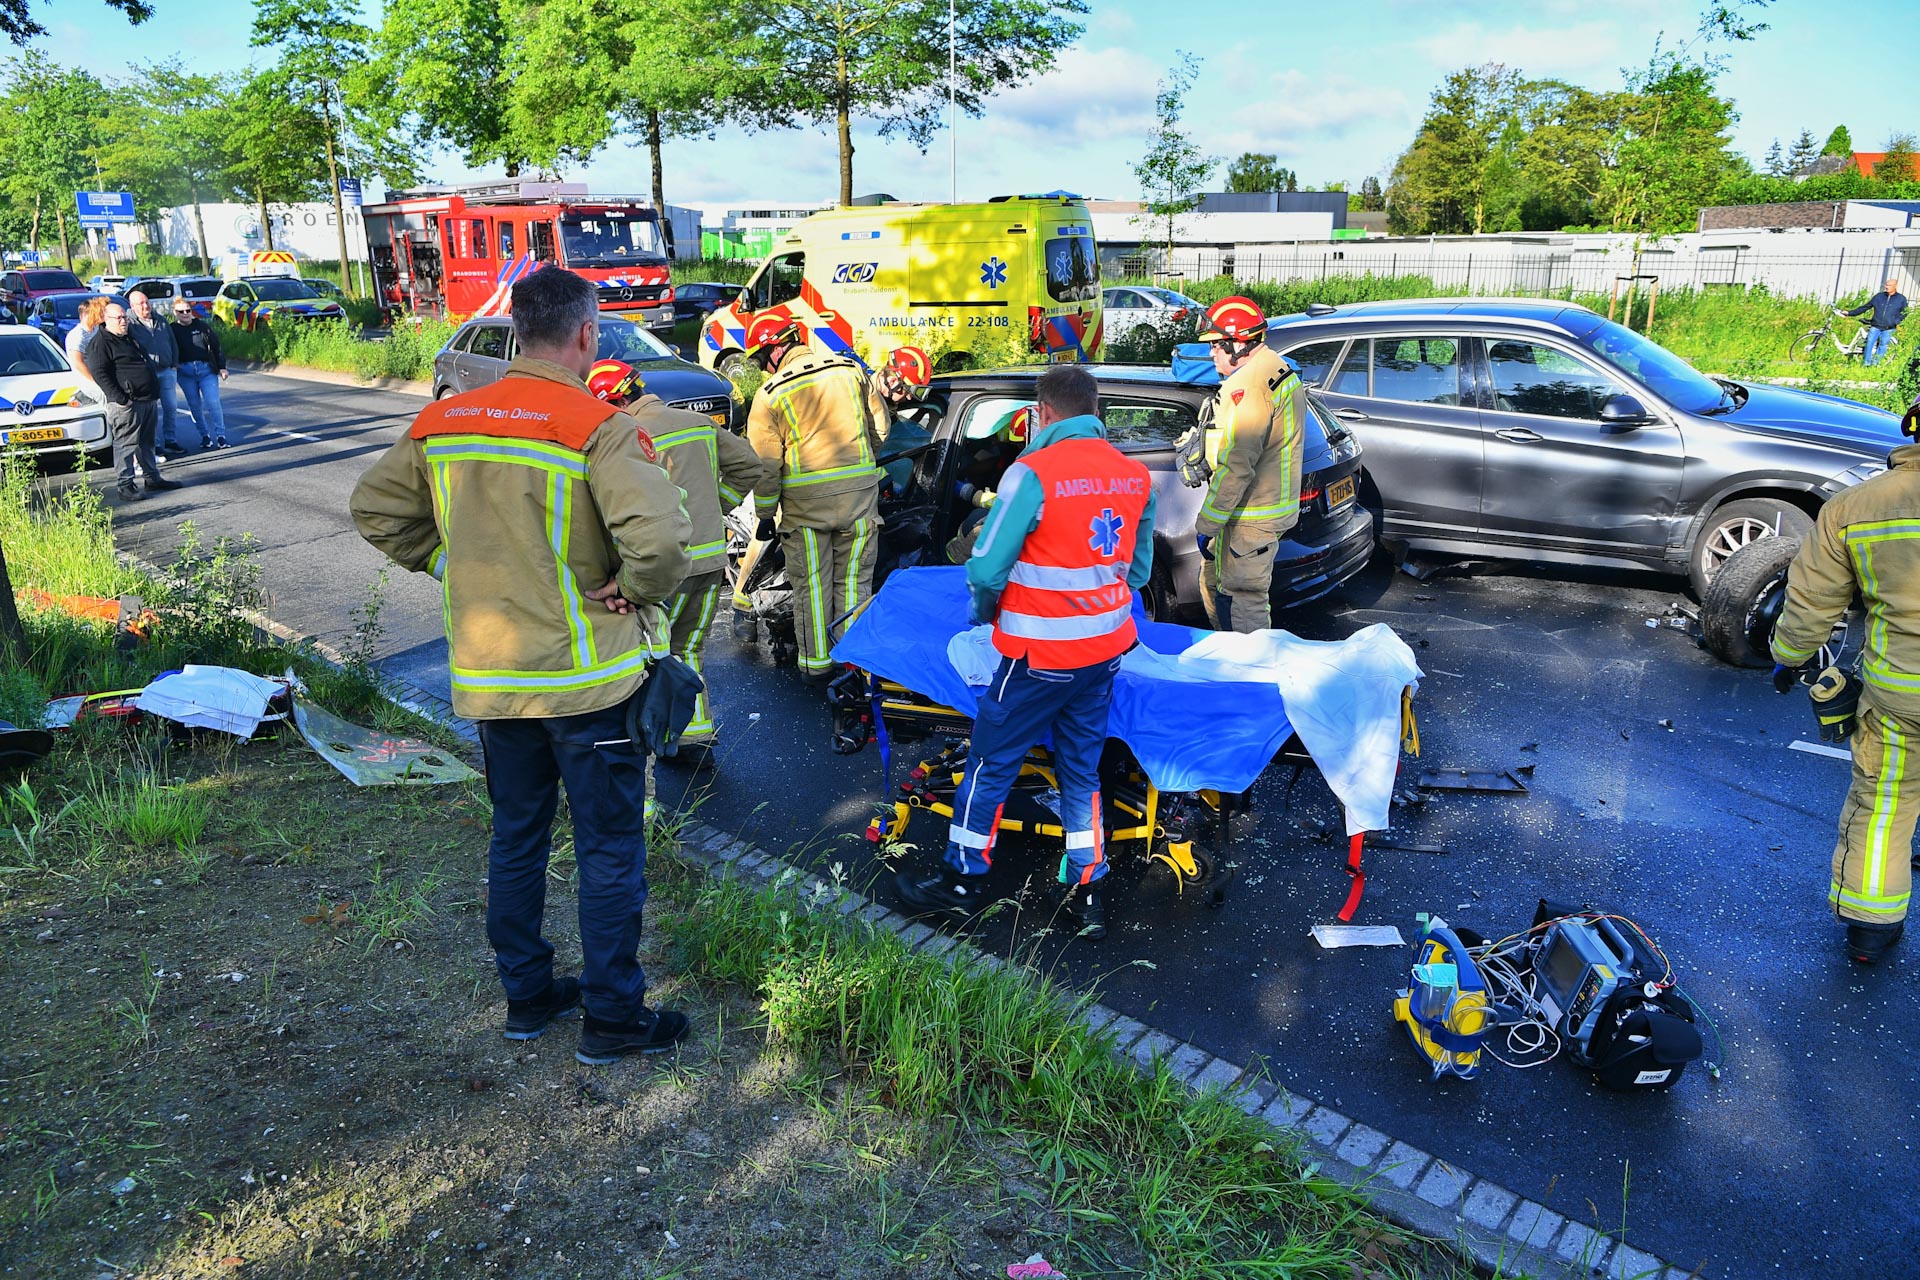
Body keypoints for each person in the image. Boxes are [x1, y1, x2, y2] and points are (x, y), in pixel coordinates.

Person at [349, 266, 696, 1063]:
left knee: (516, 840)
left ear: (512, 332)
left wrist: (446, 567)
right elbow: (664, 544)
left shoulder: (446, 420)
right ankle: (613, 1020)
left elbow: (374, 509)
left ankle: (528, 998)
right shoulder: (597, 426)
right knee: (609, 851)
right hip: (589, 687)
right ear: (585, 334)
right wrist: (632, 590)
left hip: (493, 683)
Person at [894, 365, 1158, 940]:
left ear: (1043, 412)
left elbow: (986, 568)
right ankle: (1087, 887)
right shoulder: (1135, 476)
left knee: (990, 763)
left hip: (1035, 659)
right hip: (1103, 657)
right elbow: (1137, 573)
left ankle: (960, 882)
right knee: (1081, 772)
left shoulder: (1031, 473)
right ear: (1095, 410)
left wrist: (985, 613)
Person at [1768, 396, 1920, 965]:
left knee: (1885, 804)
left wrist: (1789, 655)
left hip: (1900, 694)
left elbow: (1809, 607)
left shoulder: (1856, 507)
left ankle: (1870, 930)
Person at [587, 356, 763, 766]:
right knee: (689, 647)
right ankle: (696, 734)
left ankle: (655, 741)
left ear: (611, 400)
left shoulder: (622, 436)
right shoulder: (697, 423)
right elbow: (750, 466)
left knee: (653, 654)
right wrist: (717, 507)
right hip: (707, 561)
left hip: (661, 565)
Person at [742, 311, 890, 684]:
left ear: (776, 350)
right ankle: (853, 664)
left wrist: (764, 514)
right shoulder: (851, 370)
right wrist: (860, 462)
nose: (762, 369)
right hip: (859, 501)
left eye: (761, 360)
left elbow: (767, 465)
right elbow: (881, 429)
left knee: (812, 585)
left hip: (805, 510)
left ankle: (817, 667)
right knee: (855, 583)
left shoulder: (771, 394)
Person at [1190, 295, 1302, 633]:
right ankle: (1230, 660)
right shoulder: (1275, 368)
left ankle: (1248, 673)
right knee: (1213, 585)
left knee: (1242, 599)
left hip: (1250, 517)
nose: (1212, 353)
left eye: (1216, 346)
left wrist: (1206, 524)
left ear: (1239, 344)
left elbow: (1238, 464)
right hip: (1254, 513)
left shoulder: (1248, 386)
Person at [83, 301, 179, 501]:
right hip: (127, 403)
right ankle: (125, 485)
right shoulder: (101, 342)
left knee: (147, 442)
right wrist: (121, 398)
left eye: (124, 317)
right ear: (106, 319)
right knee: (126, 444)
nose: (123, 321)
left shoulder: (128, 337)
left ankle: (152, 478)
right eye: (118, 318)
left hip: (146, 399)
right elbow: (100, 374)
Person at [127, 289, 185, 455]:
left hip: (167, 370)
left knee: (171, 407)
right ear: (132, 306)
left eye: (147, 302)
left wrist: (174, 363)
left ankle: (171, 440)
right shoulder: (129, 323)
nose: (146, 306)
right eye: (141, 303)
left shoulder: (159, 319)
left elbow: (172, 341)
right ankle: (155, 444)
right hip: (147, 373)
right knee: (152, 411)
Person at [170, 296, 229, 448]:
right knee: (194, 405)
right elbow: (167, 349)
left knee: (213, 402)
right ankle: (205, 436)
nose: (185, 314)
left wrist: (222, 367)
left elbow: (216, 346)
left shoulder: (202, 326)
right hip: (185, 372)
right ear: (175, 312)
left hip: (206, 370)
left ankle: (221, 436)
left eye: (188, 310)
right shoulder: (172, 330)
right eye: (181, 311)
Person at [1842, 279, 1908, 368]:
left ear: (1895, 286)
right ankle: (1866, 364)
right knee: (1869, 343)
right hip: (1876, 325)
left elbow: (1905, 312)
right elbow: (1865, 307)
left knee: (1883, 345)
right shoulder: (1879, 297)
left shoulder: (1901, 299)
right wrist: (1850, 313)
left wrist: (1896, 321)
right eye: (1886, 285)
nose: (1886, 287)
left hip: (1889, 327)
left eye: (1889, 285)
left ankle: (1876, 364)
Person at [65, 296, 107, 384]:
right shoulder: (78, 335)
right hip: (87, 382)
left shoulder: (96, 329)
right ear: (84, 315)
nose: (98, 316)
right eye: (94, 313)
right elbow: (78, 362)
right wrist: (95, 382)